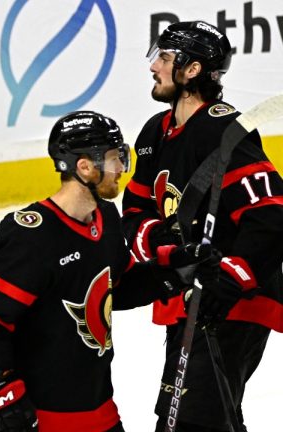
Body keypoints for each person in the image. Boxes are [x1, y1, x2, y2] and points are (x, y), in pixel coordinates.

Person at [0, 111, 218, 432]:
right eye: (114, 159)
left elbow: (116, 288)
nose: (122, 168)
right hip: (37, 416)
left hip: (96, 409)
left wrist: (172, 270)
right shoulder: (32, 234)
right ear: (84, 167)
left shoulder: (106, 219)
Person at [121, 20, 283, 431]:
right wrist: (157, 243)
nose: (154, 66)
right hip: (187, 296)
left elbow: (271, 214)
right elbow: (135, 210)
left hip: (232, 303)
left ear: (191, 70)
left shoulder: (221, 130)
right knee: (190, 417)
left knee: (193, 419)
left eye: (164, 57)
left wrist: (229, 280)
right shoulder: (154, 134)